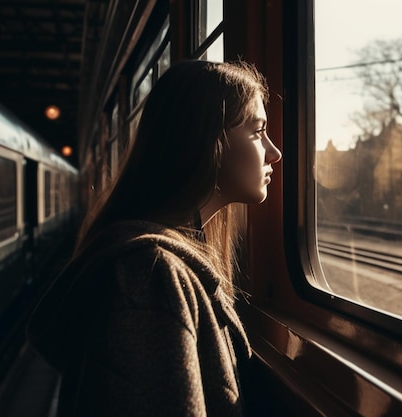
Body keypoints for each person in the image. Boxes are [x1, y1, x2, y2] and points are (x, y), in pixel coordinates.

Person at [27, 60, 282, 417]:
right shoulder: (149, 276)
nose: (274, 152)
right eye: (258, 131)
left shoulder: (158, 265)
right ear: (207, 140)